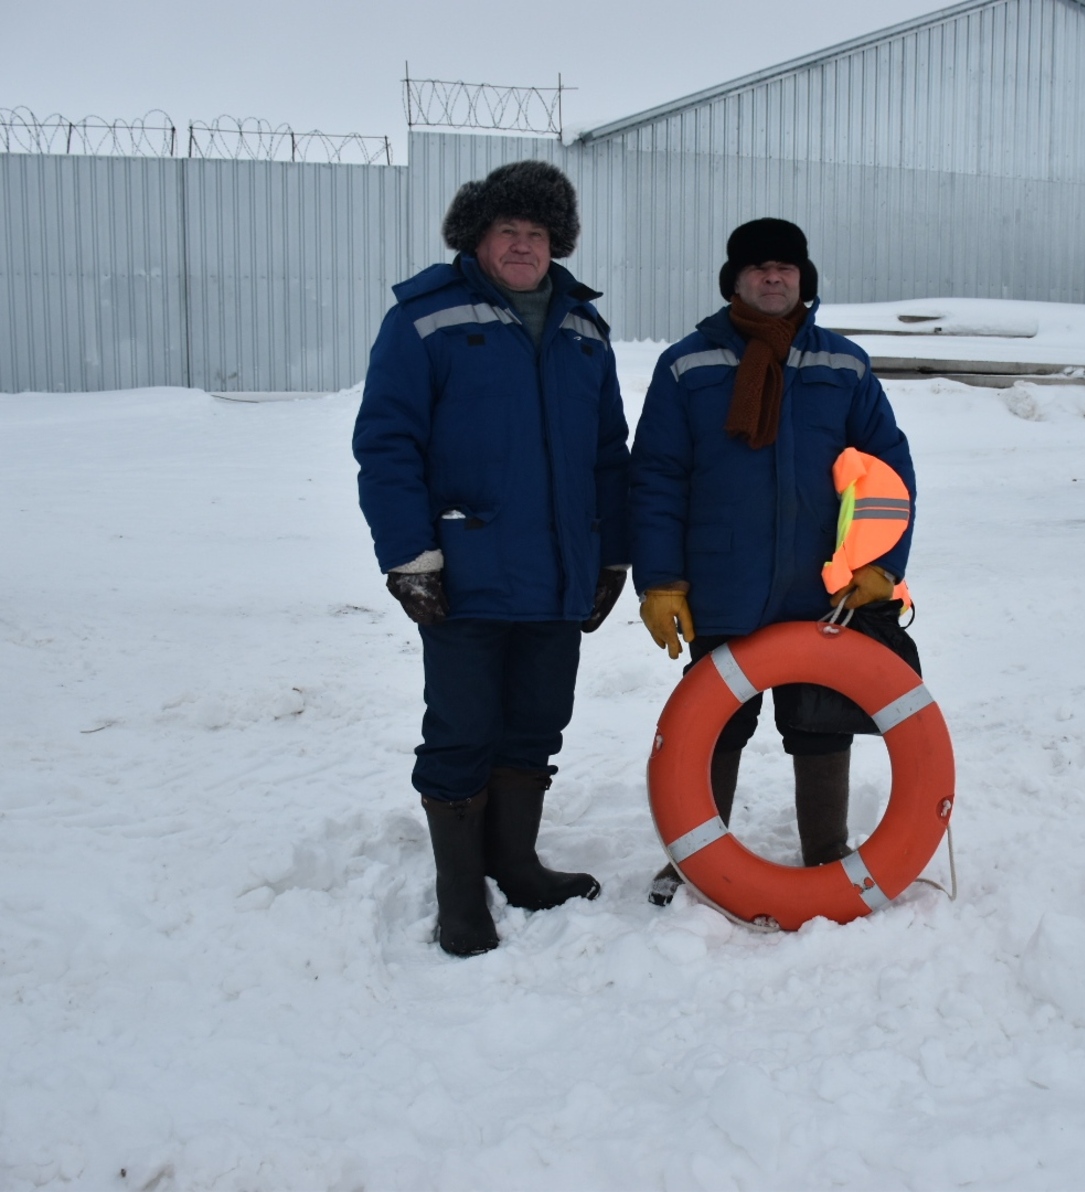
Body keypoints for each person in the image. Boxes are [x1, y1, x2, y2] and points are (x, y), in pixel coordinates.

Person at [353, 161, 630, 956]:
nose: (522, 245)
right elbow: (388, 445)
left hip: (559, 574)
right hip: (467, 571)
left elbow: (608, 455)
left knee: (537, 723)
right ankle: (459, 891)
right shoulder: (424, 319)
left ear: (557, 243)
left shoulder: (584, 330)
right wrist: (410, 556)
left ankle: (515, 864)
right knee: (463, 728)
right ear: (477, 237)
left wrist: (612, 557)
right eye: (507, 229)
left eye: (537, 232)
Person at [628, 218, 916, 906]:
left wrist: (881, 564)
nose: (773, 276)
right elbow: (656, 478)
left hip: (822, 583)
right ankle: (696, 855)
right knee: (715, 721)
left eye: (786, 267)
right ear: (735, 280)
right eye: (758, 267)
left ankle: (827, 850)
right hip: (722, 581)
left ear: (802, 279)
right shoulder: (688, 364)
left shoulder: (843, 365)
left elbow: (886, 467)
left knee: (821, 716)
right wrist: (661, 581)